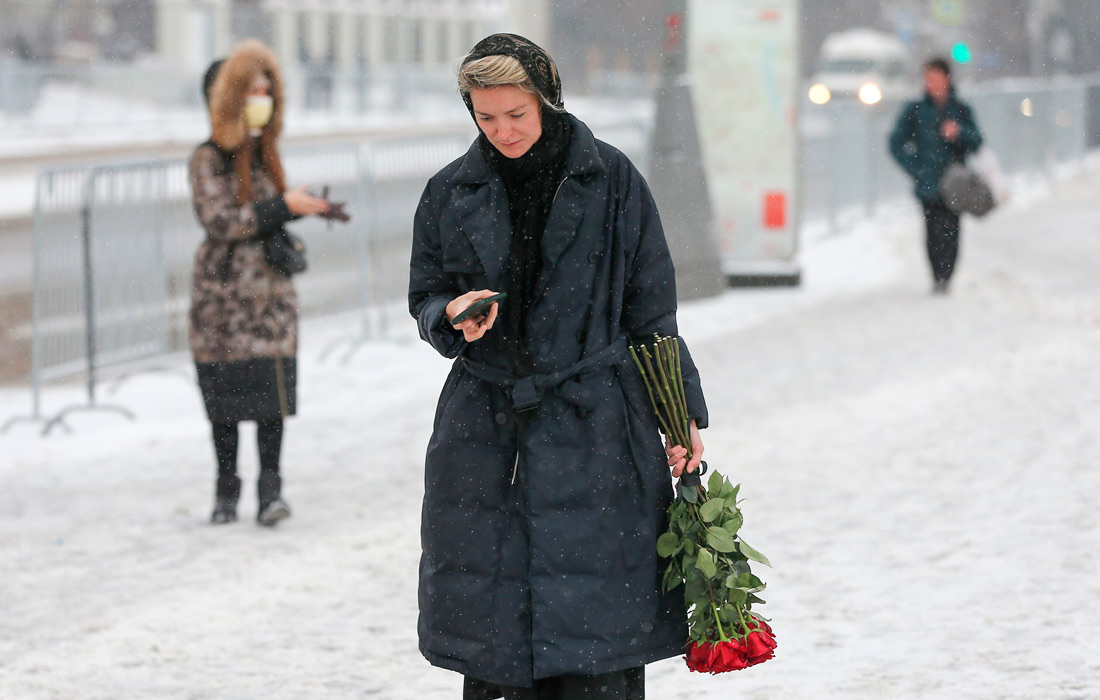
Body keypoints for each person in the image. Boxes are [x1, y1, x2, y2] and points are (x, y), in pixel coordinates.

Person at [408, 34, 708, 700]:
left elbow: (650, 313)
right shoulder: (450, 191)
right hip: (486, 436)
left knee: (597, 640)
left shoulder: (612, 180)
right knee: (497, 641)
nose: (502, 130)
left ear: (547, 100)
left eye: (515, 113)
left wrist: (679, 419)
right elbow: (424, 295)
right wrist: (450, 314)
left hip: (597, 426)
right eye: (485, 116)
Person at [189, 40, 331, 526]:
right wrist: (284, 207)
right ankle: (226, 491)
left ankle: (271, 491)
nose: (261, 99)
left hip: (270, 298)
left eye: (267, 91)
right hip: (224, 302)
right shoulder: (209, 157)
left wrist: (295, 219)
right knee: (225, 402)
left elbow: (264, 217)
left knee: (271, 398)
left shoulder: (266, 152)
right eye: (252, 90)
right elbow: (222, 220)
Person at [889, 57, 984, 294]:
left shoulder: (960, 109)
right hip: (928, 183)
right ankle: (937, 276)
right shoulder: (917, 110)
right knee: (932, 232)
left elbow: (977, 141)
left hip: (955, 184)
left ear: (946, 78)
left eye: (935, 77)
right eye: (928, 78)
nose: (931, 83)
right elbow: (896, 142)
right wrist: (915, 167)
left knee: (951, 232)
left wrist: (959, 133)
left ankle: (947, 275)